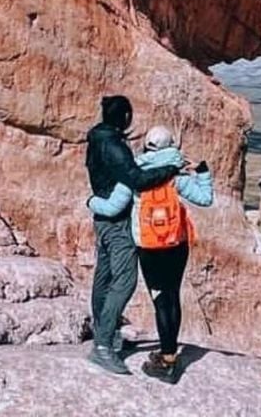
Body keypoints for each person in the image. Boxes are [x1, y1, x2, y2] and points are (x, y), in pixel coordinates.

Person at [87, 125, 214, 384]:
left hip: (149, 246)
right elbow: (205, 198)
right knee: (173, 296)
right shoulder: (176, 176)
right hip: (176, 244)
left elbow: (112, 209)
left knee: (160, 301)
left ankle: (166, 363)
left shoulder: (134, 175)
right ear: (171, 147)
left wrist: (91, 202)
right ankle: (169, 355)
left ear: (147, 147)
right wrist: (202, 171)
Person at [85, 96, 176, 375]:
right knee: (124, 281)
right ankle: (103, 346)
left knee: (105, 276)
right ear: (125, 117)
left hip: (103, 218)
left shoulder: (97, 138)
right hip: (117, 221)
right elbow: (136, 179)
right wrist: (170, 169)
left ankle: (105, 334)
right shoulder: (113, 144)